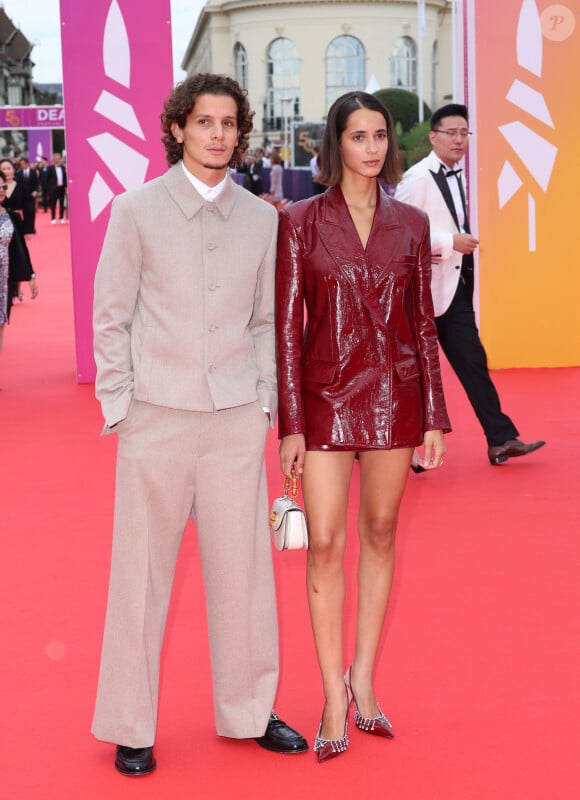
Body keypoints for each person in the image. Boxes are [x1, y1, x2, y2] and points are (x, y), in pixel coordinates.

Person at [91, 72, 308, 777]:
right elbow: (111, 315)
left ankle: (249, 709)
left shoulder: (262, 219)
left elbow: (267, 321)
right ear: (178, 128)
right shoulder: (136, 211)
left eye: (228, 123)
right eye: (204, 122)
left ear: (240, 133)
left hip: (235, 421)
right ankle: (130, 723)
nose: (218, 134)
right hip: (155, 417)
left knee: (243, 574)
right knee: (139, 578)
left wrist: (268, 405)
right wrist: (121, 405)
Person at [275, 91, 450, 763]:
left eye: (380, 135)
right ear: (336, 144)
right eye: (358, 136)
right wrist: (292, 422)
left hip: (393, 397)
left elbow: (423, 327)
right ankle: (327, 692)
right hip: (321, 399)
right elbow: (288, 330)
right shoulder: (299, 222)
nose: (372, 147)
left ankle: (364, 682)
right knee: (324, 542)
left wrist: (433, 414)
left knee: (379, 533)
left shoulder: (410, 224)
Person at [395, 104, 545, 467]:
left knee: (473, 362)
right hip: (419, 297)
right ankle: (380, 445)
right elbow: (397, 234)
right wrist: (449, 243)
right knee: (408, 373)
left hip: (454, 290)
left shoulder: (458, 175)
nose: (459, 139)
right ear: (434, 137)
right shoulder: (417, 179)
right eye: (452, 133)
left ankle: (501, 439)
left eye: (464, 133)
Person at [0, 173, 38, 356]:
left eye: (3, 187)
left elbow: (20, 247)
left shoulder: (11, 217)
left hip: (4, 279)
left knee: (0, 323)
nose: (1, 190)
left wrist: (30, 275)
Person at [16, 156, 39, 235]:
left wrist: (35, 191)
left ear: (27, 163)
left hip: (31, 195)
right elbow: (17, 185)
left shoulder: (33, 172)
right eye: (20, 164)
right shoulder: (18, 173)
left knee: (31, 212)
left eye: (23, 164)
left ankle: (32, 228)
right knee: (25, 213)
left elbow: (36, 183)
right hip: (22, 197)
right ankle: (26, 229)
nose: (22, 165)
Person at [46, 153, 67, 223]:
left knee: (62, 203)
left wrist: (66, 187)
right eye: (57, 158)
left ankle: (61, 217)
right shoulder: (50, 168)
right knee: (53, 204)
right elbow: (47, 179)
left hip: (61, 188)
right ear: (54, 159)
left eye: (59, 158)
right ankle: (53, 218)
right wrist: (49, 189)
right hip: (53, 189)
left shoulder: (63, 167)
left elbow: (65, 178)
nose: (58, 160)